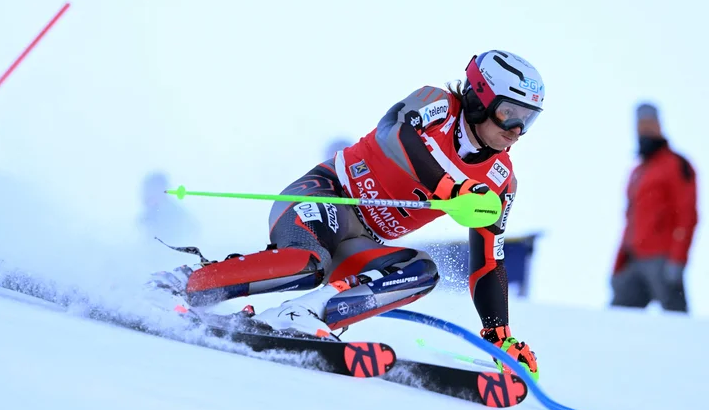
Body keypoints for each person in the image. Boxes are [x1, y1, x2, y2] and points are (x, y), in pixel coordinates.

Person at [156, 50, 544, 380]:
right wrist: (448, 188)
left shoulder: (500, 182)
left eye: (528, 119)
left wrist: (498, 335)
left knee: (421, 271)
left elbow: (488, 261)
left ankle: (305, 314)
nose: (516, 130)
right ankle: (178, 284)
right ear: (479, 97)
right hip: (327, 195)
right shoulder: (436, 103)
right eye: (509, 113)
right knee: (307, 264)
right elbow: (396, 134)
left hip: (360, 241)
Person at [611, 103, 698, 312]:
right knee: (618, 319)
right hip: (634, 259)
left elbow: (687, 215)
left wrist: (678, 260)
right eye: (640, 124)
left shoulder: (676, 165)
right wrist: (619, 263)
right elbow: (630, 219)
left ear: (659, 125)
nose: (645, 129)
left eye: (650, 123)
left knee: (676, 321)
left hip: (662, 259)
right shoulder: (638, 170)